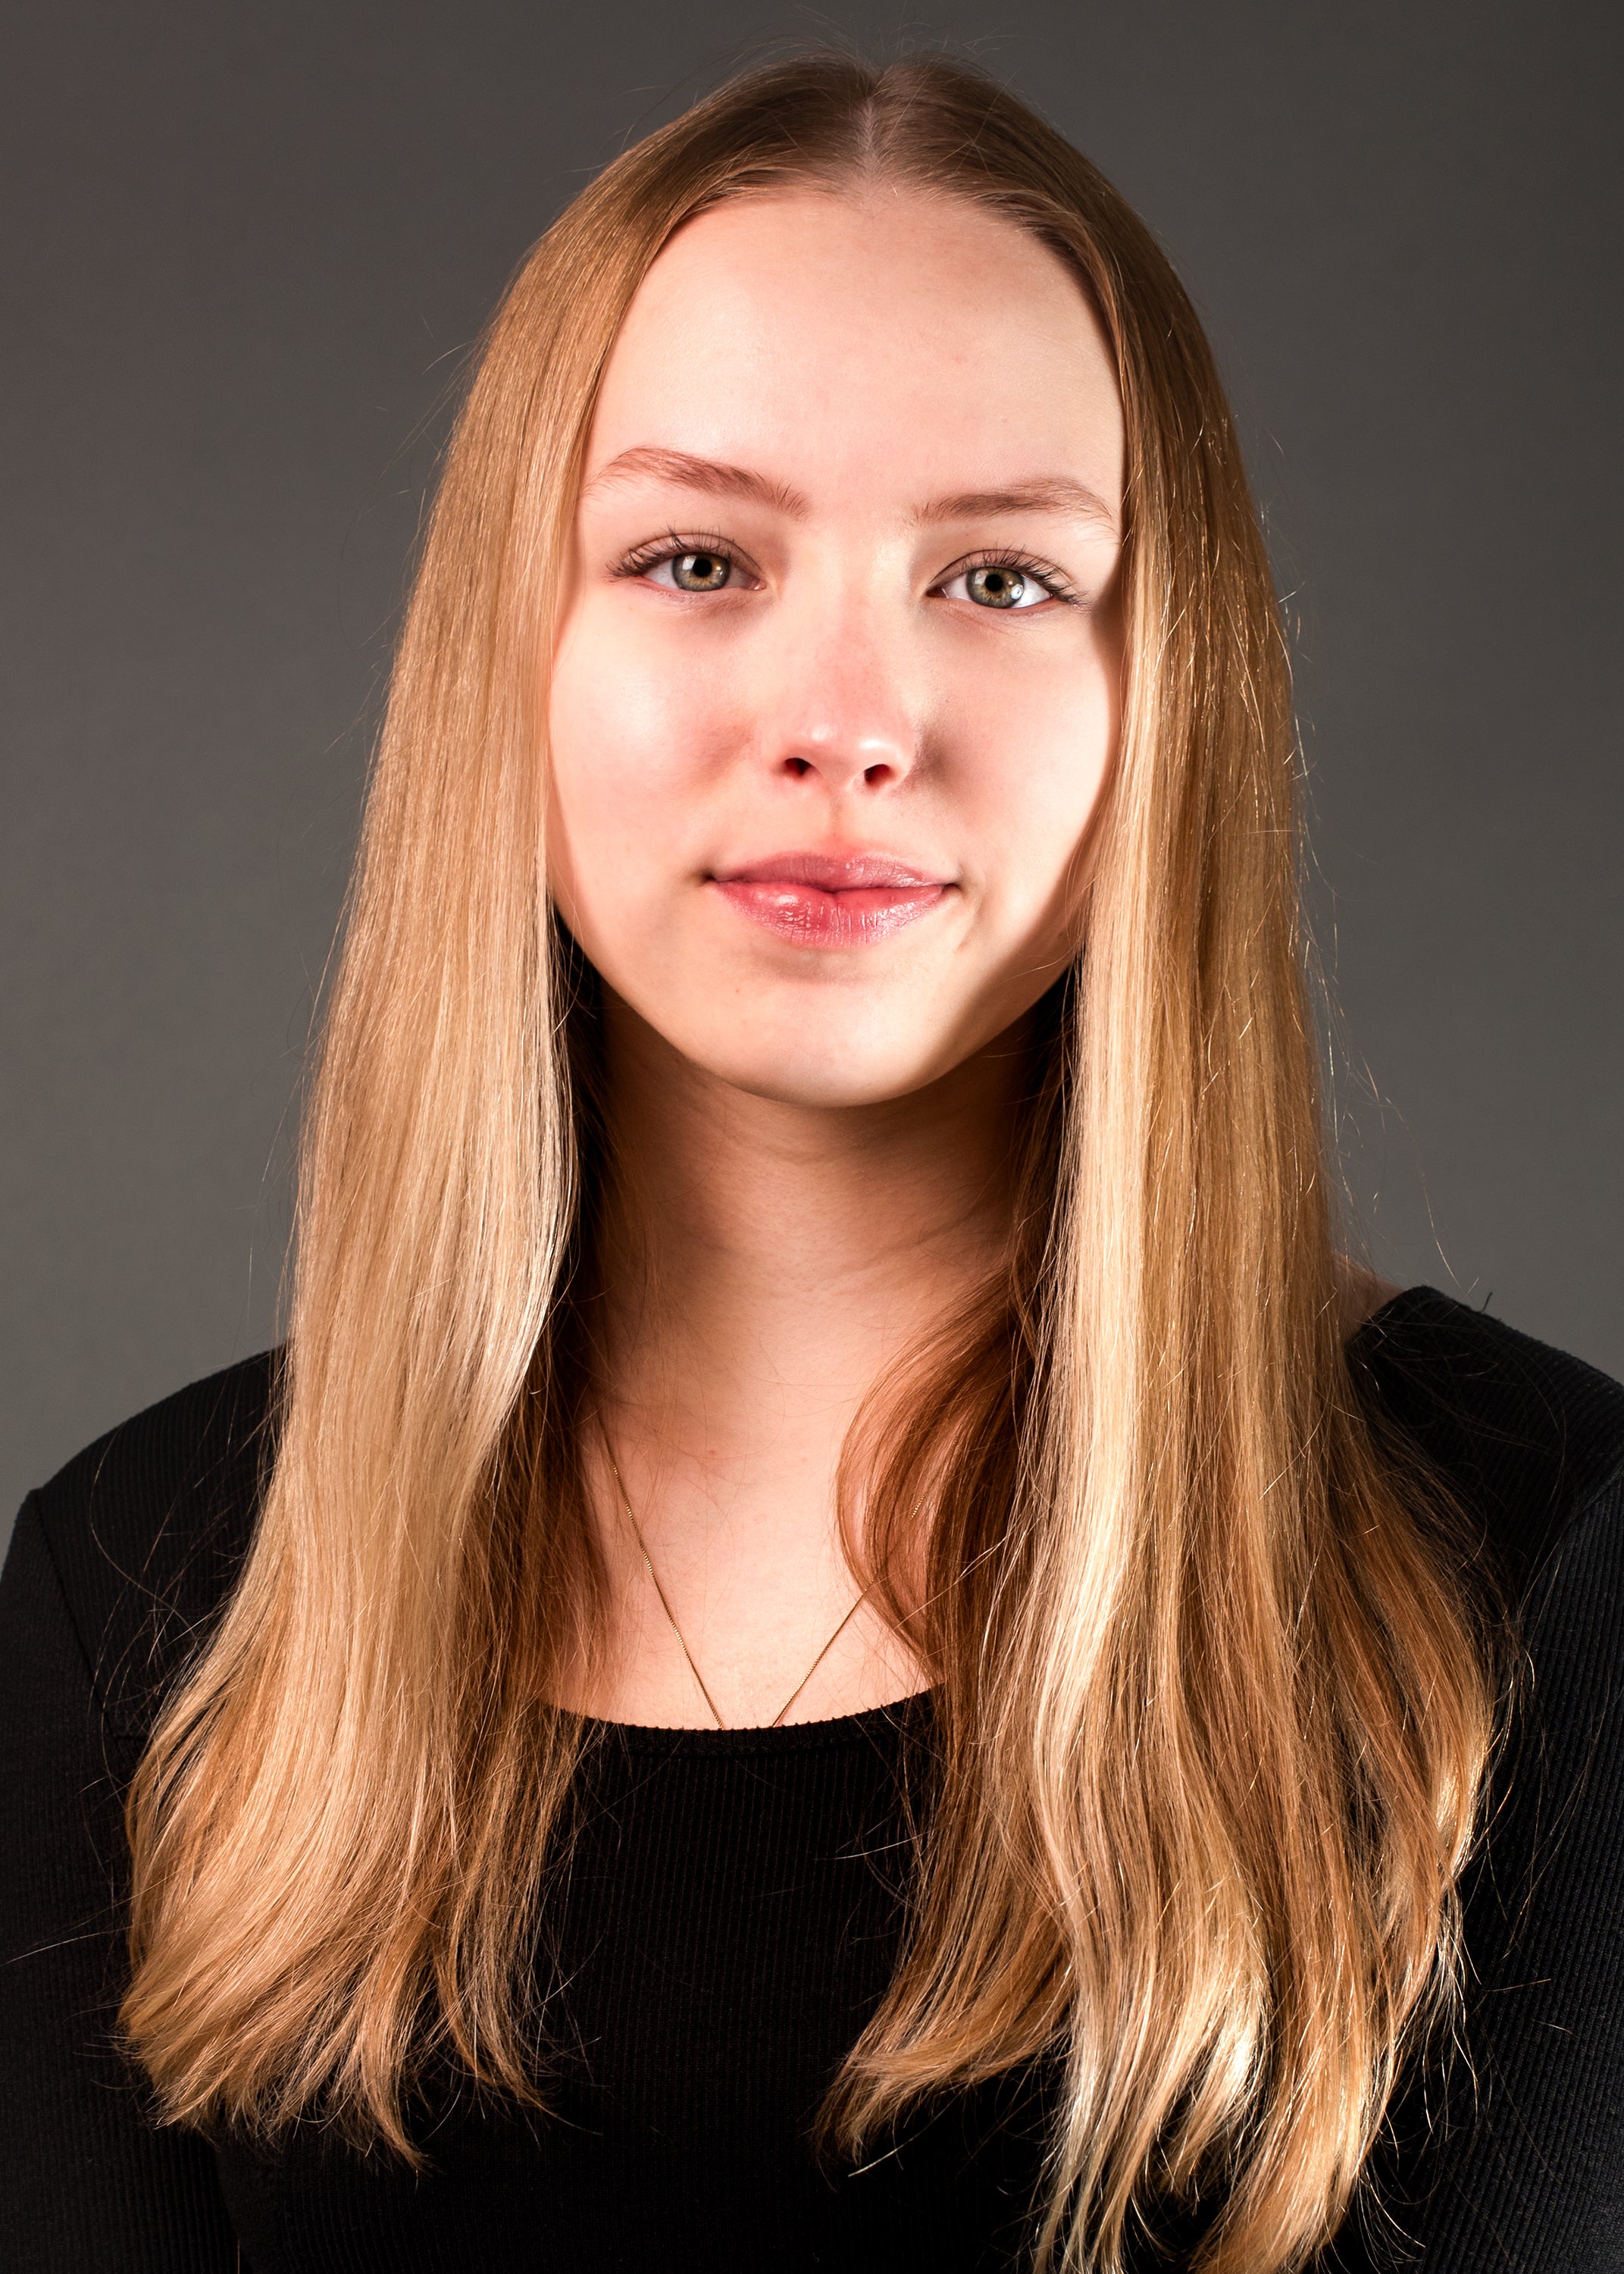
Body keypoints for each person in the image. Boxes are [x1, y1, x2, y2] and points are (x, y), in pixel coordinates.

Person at [2, 51, 1620, 2274]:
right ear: (507, 652)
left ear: (1174, 696)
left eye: (1004, 578)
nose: (849, 719)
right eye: (695, 558)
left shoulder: (1541, 1574)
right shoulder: (148, 1601)